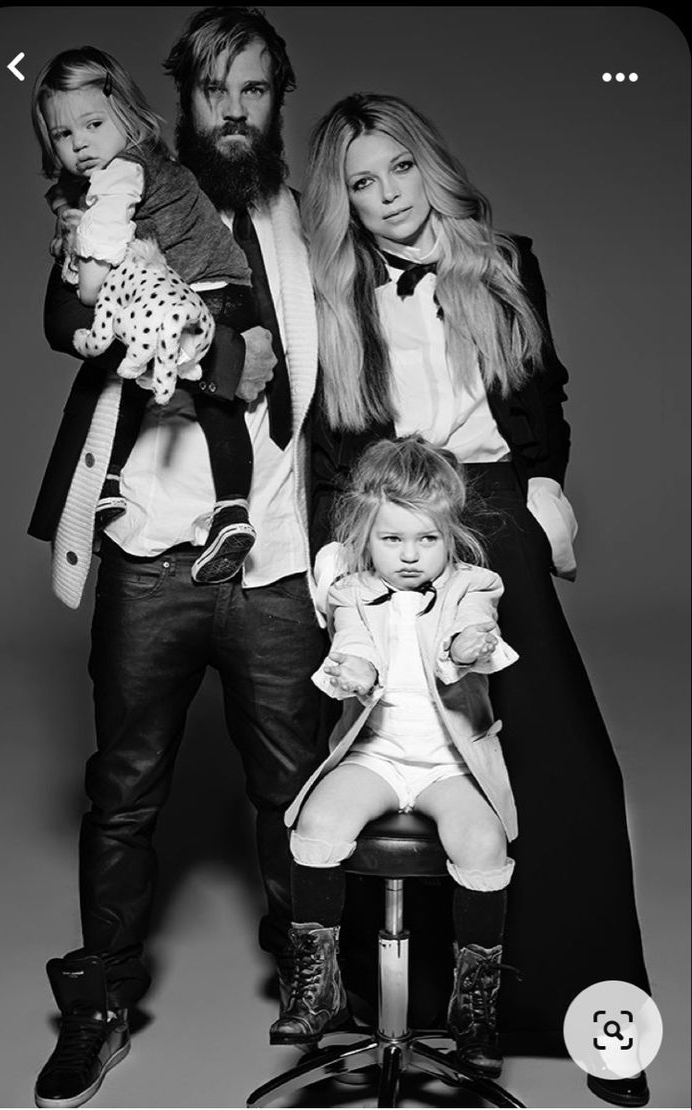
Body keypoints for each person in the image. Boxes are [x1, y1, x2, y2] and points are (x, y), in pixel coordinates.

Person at [303, 92, 651, 1108]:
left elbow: (542, 389)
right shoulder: (336, 293)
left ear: (429, 162)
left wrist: (544, 478)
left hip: (489, 505)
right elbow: (332, 444)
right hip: (386, 515)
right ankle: (428, 1017)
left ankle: (597, 1014)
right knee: (395, 749)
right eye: (361, 186)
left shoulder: (503, 258)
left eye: (397, 169)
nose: (385, 197)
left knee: (556, 755)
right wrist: (341, 558)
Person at [29, 8, 325, 1109]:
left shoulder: (309, 224)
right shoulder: (121, 202)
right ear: (180, 103)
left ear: (279, 97)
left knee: (295, 787)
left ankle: (316, 971)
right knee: (124, 791)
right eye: (216, 93)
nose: (236, 113)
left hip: (281, 554)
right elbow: (68, 320)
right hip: (151, 552)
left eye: (255, 91)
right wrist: (135, 298)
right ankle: (103, 1000)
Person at [270, 435, 520, 1078]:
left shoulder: (474, 583)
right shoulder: (352, 590)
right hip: (377, 755)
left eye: (427, 541)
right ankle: (316, 988)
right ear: (366, 538)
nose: (410, 556)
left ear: (450, 537)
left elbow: (477, 630)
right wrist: (349, 670)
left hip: (447, 764)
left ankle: (475, 1006)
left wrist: (469, 645)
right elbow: (354, 644)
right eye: (392, 540)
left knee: (484, 843)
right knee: (316, 826)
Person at [32, 45, 259, 585]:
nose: (80, 143)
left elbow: (100, 248)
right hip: (219, 291)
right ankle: (125, 486)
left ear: (127, 116)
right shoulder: (145, 168)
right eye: (64, 135)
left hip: (210, 292)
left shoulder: (121, 175)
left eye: (92, 124)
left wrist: (89, 277)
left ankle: (225, 508)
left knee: (192, 392)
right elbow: (59, 322)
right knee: (144, 379)